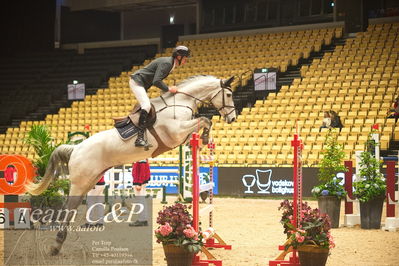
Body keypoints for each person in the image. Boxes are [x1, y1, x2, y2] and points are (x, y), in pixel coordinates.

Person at [129, 45, 191, 147]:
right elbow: (156, 81)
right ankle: (139, 138)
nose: (186, 61)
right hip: (137, 82)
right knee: (146, 106)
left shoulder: (170, 63)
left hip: (142, 83)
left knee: (150, 105)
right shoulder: (167, 63)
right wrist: (169, 89)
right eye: (185, 58)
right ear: (179, 57)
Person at [129, 159, 151, 227]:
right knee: (141, 201)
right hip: (139, 181)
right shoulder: (141, 157)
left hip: (139, 182)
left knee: (140, 201)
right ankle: (143, 219)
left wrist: (139, 183)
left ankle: (142, 219)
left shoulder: (141, 158)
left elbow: (142, 171)